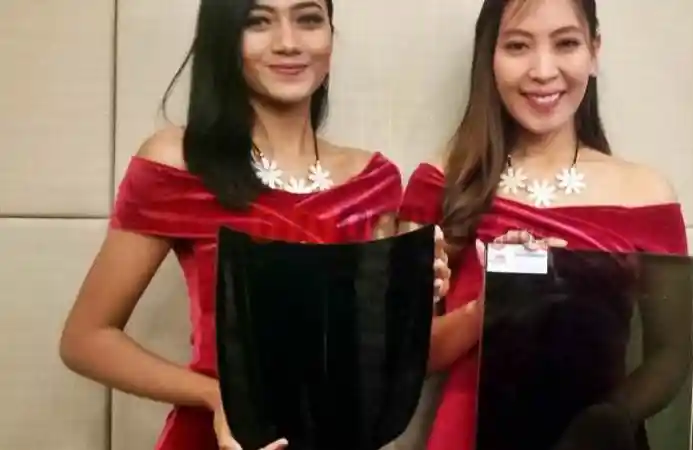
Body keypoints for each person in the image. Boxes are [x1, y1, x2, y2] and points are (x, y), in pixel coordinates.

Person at [58, 1, 449, 450]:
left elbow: (375, 354)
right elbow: (85, 339)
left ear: (330, 33)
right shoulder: (179, 162)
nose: (288, 42)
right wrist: (214, 397)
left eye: (308, 19)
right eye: (258, 21)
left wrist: (415, 298)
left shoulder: (374, 180)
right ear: (224, 36)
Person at [398, 0, 691, 449]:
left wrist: (608, 417)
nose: (542, 70)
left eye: (566, 44)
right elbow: (406, 355)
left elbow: (670, 356)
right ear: (490, 56)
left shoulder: (646, 195)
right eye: (518, 46)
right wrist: (488, 307)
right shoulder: (440, 183)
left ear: (594, 51)